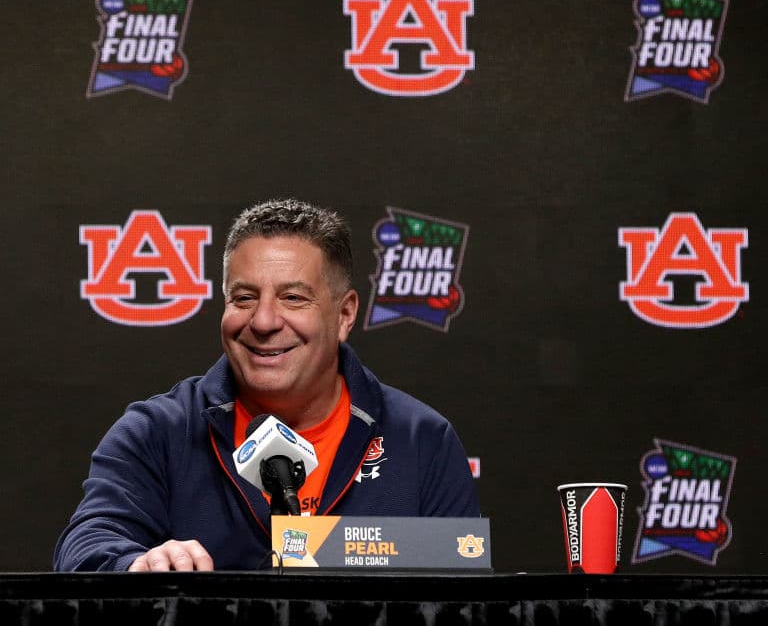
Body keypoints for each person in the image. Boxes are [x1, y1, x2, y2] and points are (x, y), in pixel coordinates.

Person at [53, 198, 479, 572]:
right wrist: (137, 564)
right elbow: (85, 546)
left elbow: (466, 594)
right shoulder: (157, 432)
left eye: (293, 298)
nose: (263, 321)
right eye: (244, 298)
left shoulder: (423, 440)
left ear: (345, 315)